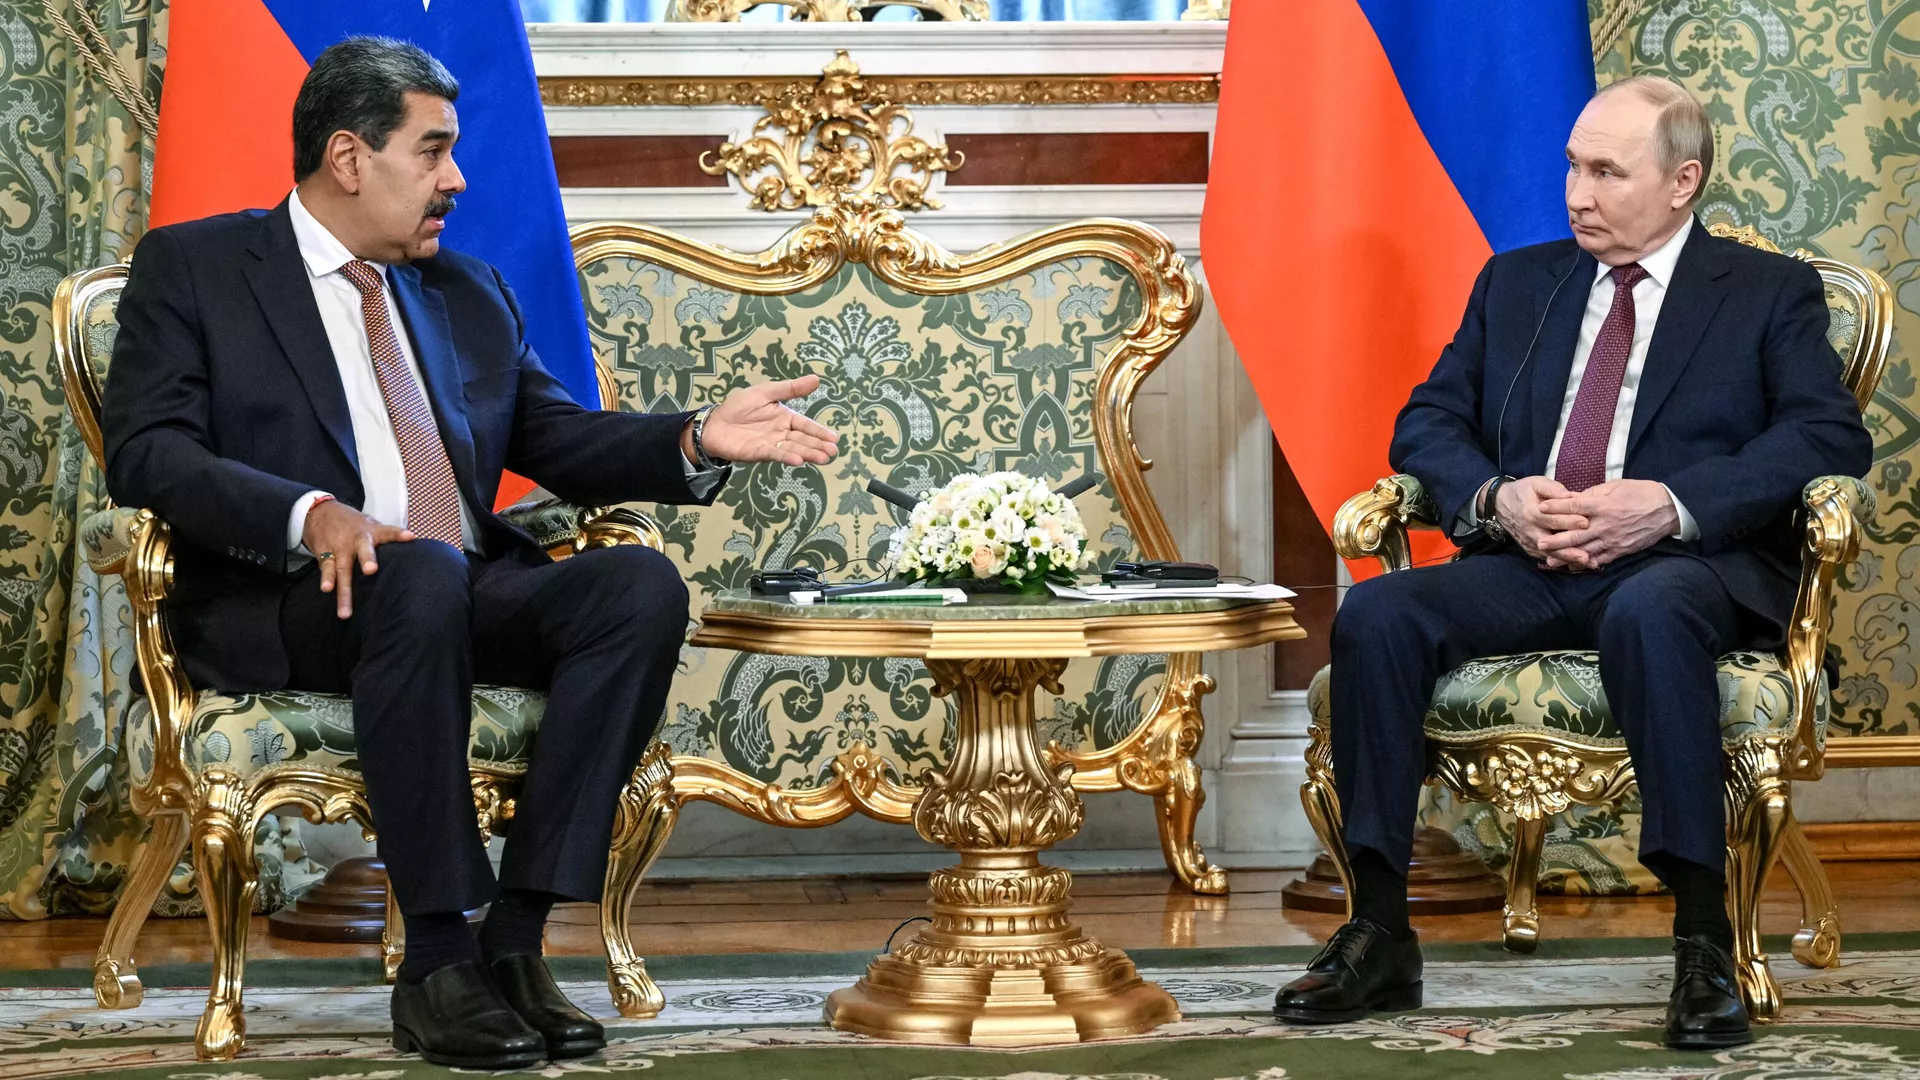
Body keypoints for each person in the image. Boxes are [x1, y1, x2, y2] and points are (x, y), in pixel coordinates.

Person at [102, 36, 839, 1070]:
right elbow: (149, 451)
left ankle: (515, 940)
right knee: (420, 572)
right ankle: (437, 964)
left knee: (634, 586)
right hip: (295, 599)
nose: (456, 180)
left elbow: (556, 438)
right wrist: (311, 512)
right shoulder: (200, 267)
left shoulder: (465, 289)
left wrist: (694, 438)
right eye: (433, 149)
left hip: (449, 585)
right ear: (349, 157)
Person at [1271, 76, 1872, 1050]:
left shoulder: (1765, 292)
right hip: (1534, 561)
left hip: (1683, 567)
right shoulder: (1519, 282)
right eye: (1571, 168)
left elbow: (1823, 435)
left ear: (1682, 182)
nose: (1577, 196)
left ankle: (1704, 943)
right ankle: (1378, 929)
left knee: (1651, 610)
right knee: (1379, 615)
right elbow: (1429, 423)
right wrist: (1499, 498)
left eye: (1606, 173)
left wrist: (1668, 504)